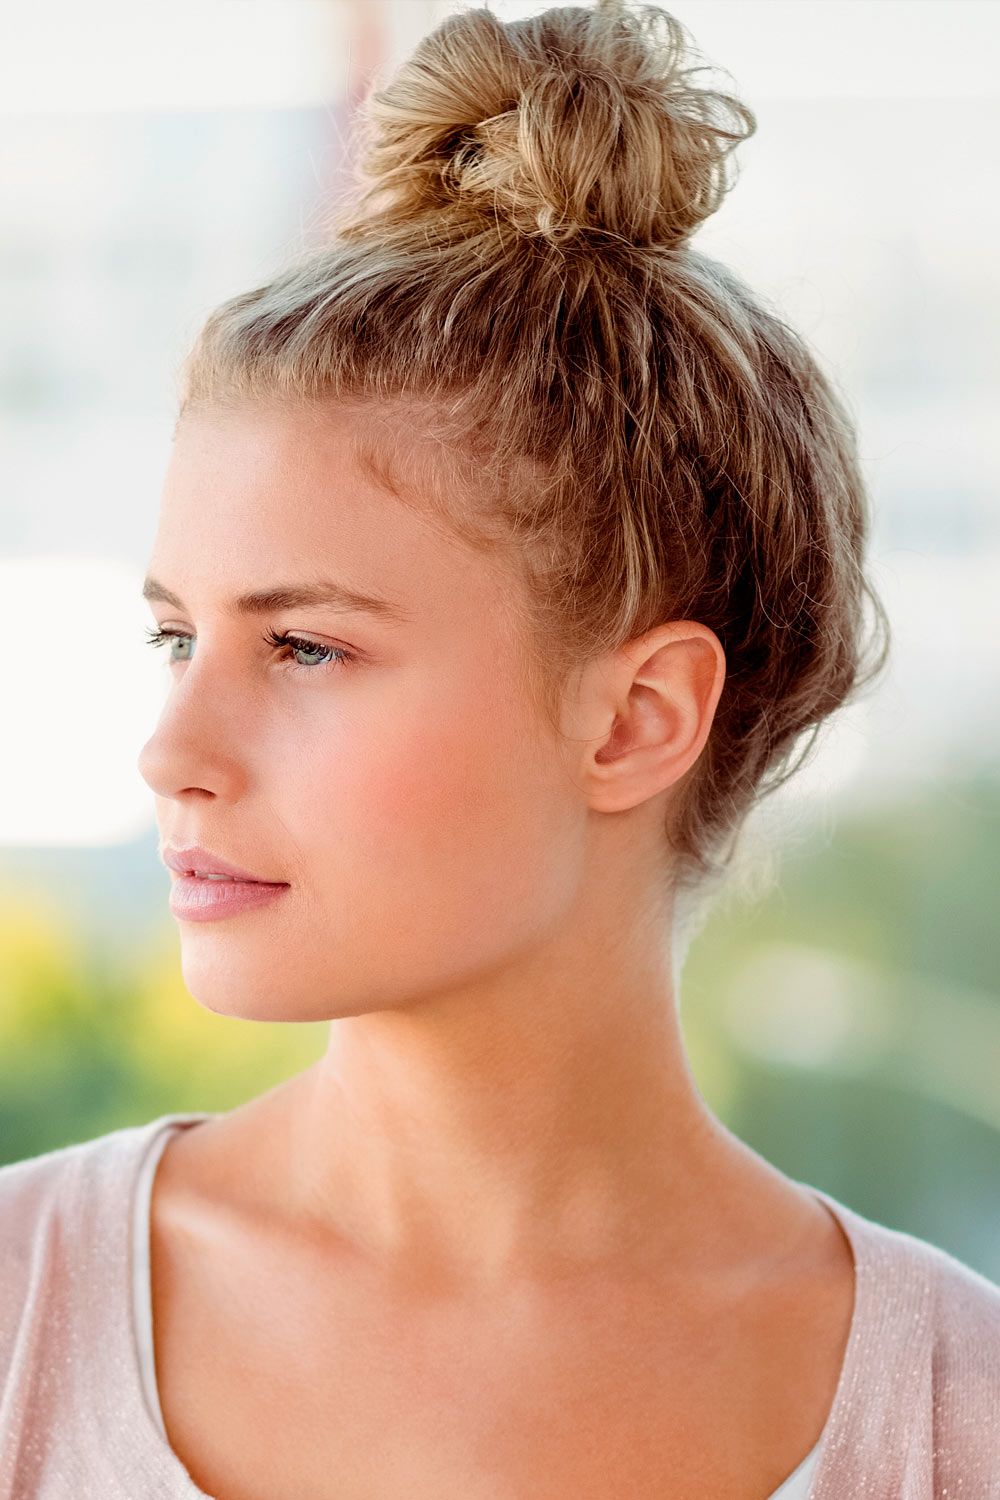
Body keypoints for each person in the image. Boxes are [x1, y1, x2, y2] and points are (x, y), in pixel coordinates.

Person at [2, 3, 998, 1497]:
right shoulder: (21, 1313)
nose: (172, 752)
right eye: (175, 638)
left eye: (306, 647)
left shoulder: (956, 1419)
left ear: (638, 718)